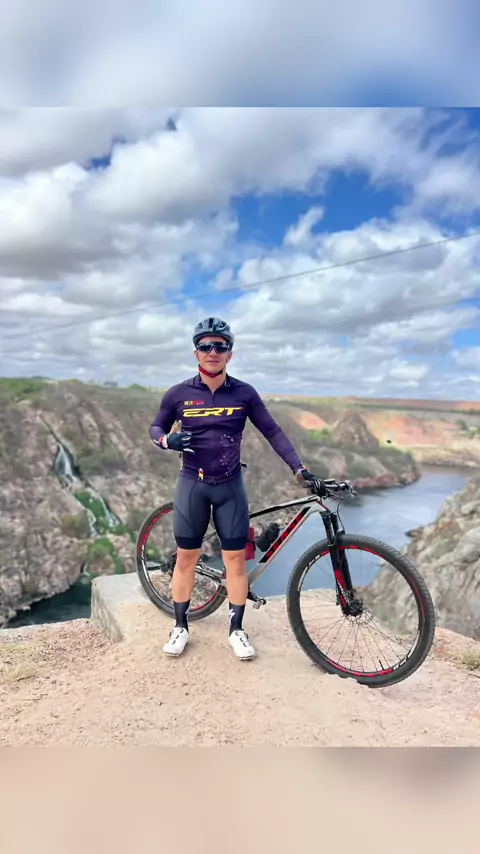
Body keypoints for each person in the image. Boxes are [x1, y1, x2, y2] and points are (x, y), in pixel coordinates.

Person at [149, 317, 323, 660]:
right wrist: (168, 440)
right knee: (186, 558)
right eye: (205, 346)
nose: (212, 351)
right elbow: (156, 427)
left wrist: (299, 467)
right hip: (192, 484)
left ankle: (237, 630)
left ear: (230, 353)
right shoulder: (179, 394)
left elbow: (273, 431)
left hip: (229, 486)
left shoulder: (244, 393)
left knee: (235, 562)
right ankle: (180, 626)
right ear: (196, 352)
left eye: (220, 346)